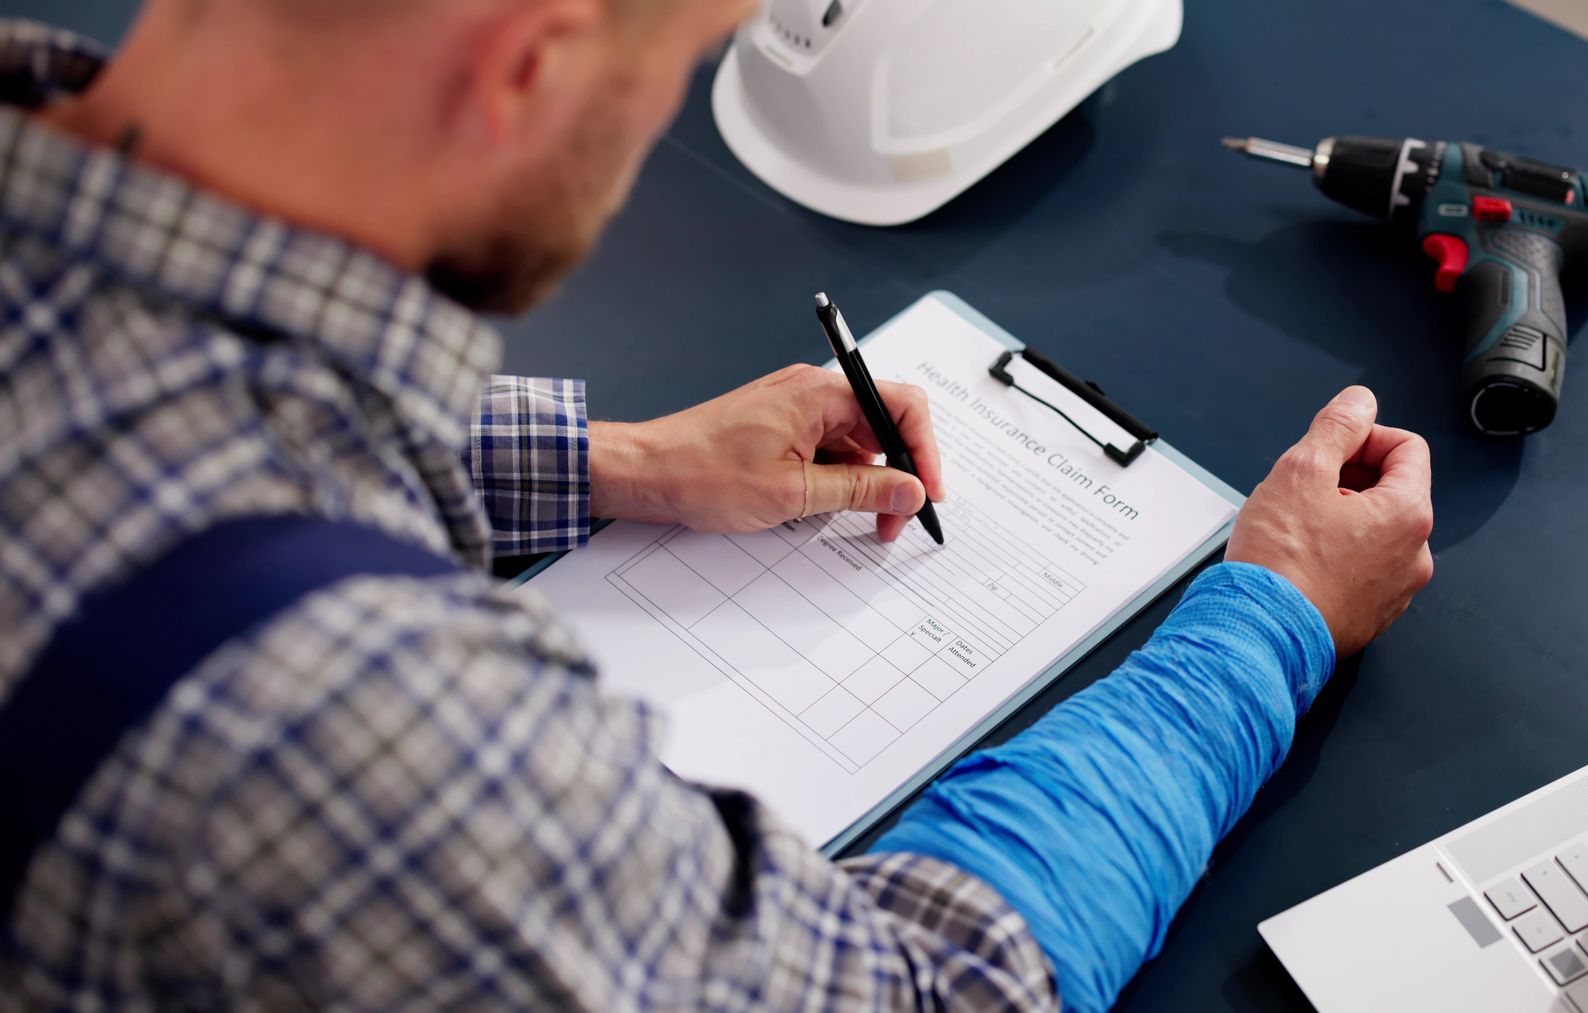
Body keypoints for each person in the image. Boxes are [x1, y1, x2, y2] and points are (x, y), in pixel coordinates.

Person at [0, 1, 1433, 1009]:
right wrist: (1270, 615)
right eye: (684, 55)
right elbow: (928, 993)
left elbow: (153, 405)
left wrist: (605, 462)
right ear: (530, 68)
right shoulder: (357, 720)